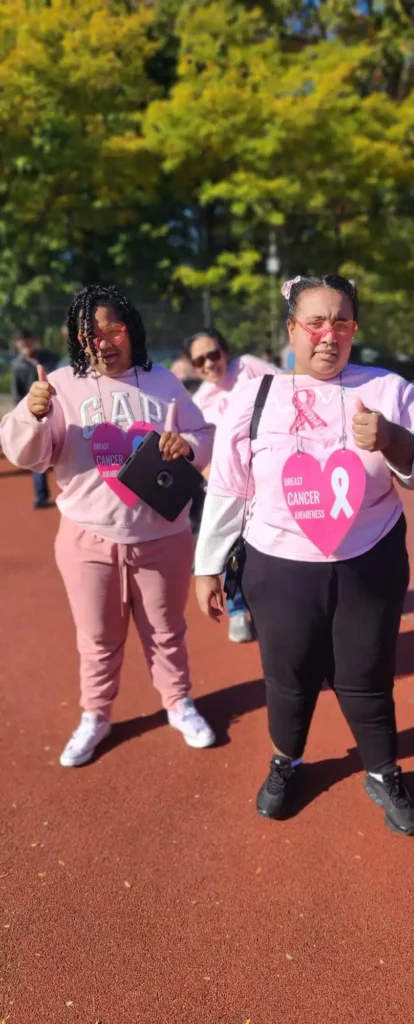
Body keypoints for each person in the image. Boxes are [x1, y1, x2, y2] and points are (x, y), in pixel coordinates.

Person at [194, 274, 414, 836]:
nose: (327, 334)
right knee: (288, 675)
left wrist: (392, 438)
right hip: (278, 565)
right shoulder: (258, 394)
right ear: (293, 329)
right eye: (314, 321)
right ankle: (287, 763)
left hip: (369, 560)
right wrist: (207, 564)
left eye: (341, 321)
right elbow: (229, 485)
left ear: (354, 328)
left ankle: (383, 772)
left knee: (367, 673)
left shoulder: (387, 389)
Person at [1, 284, 215, 766]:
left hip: (163, 537)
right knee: (97, 641)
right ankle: (95, 716)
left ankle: (178, 703)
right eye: (89, 333)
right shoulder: (58, 386)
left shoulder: (162, 382)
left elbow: (205, 435)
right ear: (77, 339)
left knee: (167, 631)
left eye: (112, 328)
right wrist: (34, 414)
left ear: (131, 329)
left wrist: (190, 447)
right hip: (86, 541)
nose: (103, 341)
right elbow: (26, 455)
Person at [185, 327, 279, 643]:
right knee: (232, 549)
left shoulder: (250, 367)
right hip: (232, 487)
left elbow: (286, 388)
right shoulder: (199, 401)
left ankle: (277, 609)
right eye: (200, 361)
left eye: (214, 354)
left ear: (225, 351)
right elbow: (201, 447)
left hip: (270, 476)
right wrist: (209, 470)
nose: (210, 364)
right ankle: (238, 610)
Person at [11, 328, 58, 508]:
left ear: (35, 340)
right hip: (36, 417)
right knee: (38, 456)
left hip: (59, 410)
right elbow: (17, 396)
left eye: (28, 343)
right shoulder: (18, 367)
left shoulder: (50, 358)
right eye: (22, 345)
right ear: (17, 346)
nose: (26, 347)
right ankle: (41, 496)